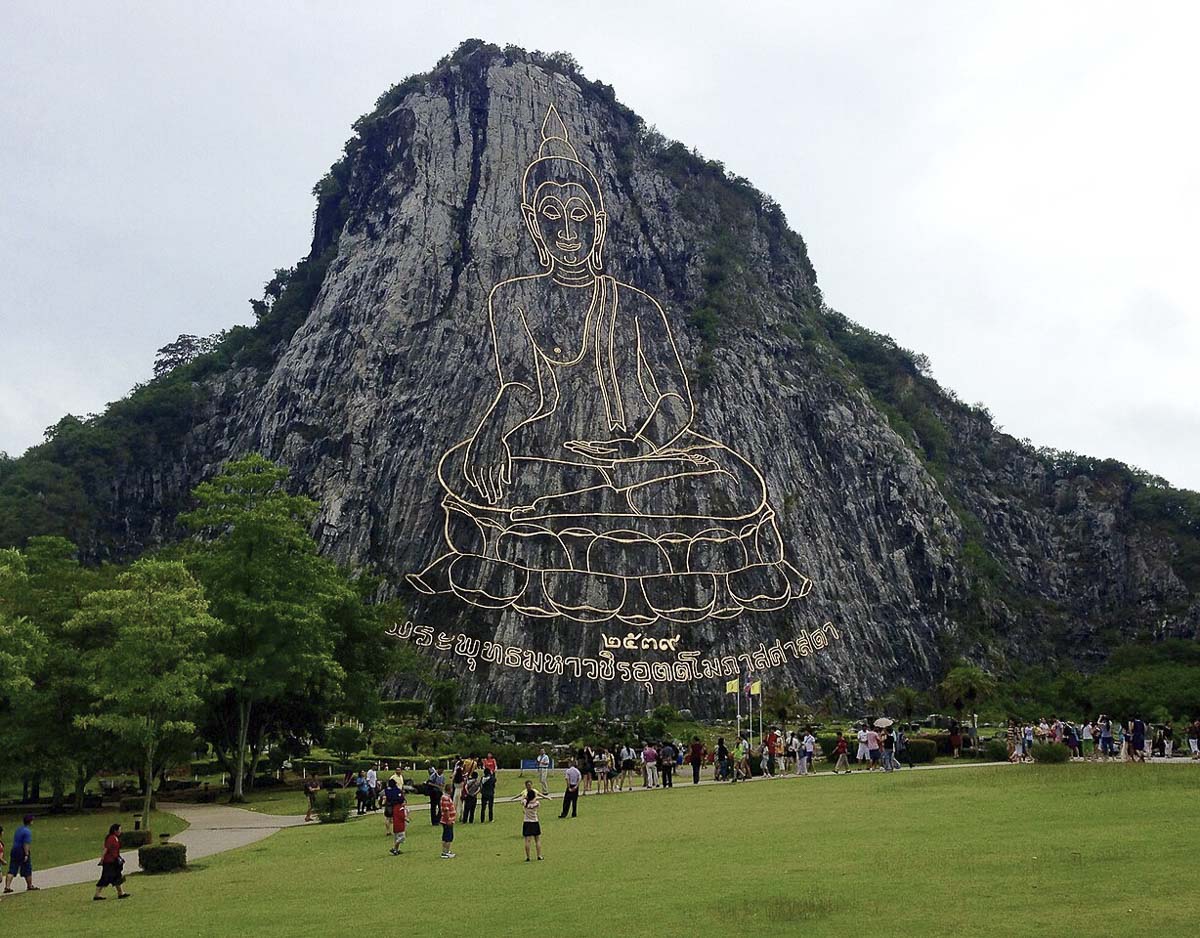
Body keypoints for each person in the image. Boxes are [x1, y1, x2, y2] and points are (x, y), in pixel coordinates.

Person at [92, 823, 128, 901]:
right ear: (115, 831)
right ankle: (97, 894)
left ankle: (121, 893)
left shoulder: (116, 838)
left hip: (115, 860)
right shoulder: (111, 838)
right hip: (109, 861)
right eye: (119, 830)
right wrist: (102, 859)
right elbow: (106, 849)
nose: (120, 831)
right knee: (105, 877)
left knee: (117, 876)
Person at [4, 814, 35, 894]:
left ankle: (7, 887)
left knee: (12, 869)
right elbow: (26, 844)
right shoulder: (27, 832)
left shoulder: (18, 829)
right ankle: (30, 885)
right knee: (27, 868)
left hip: (14, 850)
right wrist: (26, 854)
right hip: (21, 851)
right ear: (30, 821)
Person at [384, 780, 407, 855]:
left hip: (389, 807)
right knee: (401, 837)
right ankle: (394, 848)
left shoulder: (387, 790)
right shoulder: (397, 791)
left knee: (389, 820)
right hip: (396, 810)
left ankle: (396, 849)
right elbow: (402, 816)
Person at [522, 785, 545, 862]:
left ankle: (528, 857)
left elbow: (523, 800)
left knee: (527, 841)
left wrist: (526, 797)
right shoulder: (537, 803)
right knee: (537, 840)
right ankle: (539, 855)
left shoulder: (525, 803)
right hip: (535, 822)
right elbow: (535, 801)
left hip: (527, 822)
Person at [439, 782, 457, 859]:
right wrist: (449, 819)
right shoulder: (445, 798)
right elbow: (446, 810)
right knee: (448, 837)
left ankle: (446, 851)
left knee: (446, 836)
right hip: (447, 821)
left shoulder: (447, 797)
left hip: (448, 820)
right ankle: (445, 852)